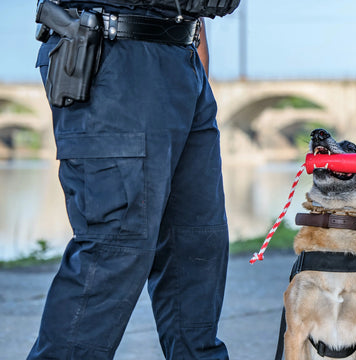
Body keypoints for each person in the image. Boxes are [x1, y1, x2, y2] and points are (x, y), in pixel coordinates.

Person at [28, 0, 240, 359]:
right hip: (113, 54)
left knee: (196, 245)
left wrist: (193, 62)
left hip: (180, 56)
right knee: (114, 249)